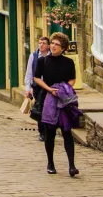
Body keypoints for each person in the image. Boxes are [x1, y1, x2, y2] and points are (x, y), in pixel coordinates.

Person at [34, 32, 80, 177]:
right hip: (48, 98)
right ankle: (50, 163)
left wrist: (64, 89)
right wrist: (49, 89)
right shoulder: (43, 61)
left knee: (67, 131)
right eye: (52, 43)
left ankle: (72, 166)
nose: (53, 46)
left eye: (57, 44)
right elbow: (36, 78)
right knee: (50, 132)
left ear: (63, 48)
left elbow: (72, 79)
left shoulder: (68, 62)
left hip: (64, 99)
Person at [24, 36, 51, 141]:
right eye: (40, 43)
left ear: (48, 45)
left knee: (48, 109)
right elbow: (29, 73)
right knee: (40, 109)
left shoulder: (52, 56)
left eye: (44, 43)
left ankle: (48, 130)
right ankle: (42, 132)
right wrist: (27, 88)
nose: (41, 45)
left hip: (49, 86)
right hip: (38, 88)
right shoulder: (33, 56)